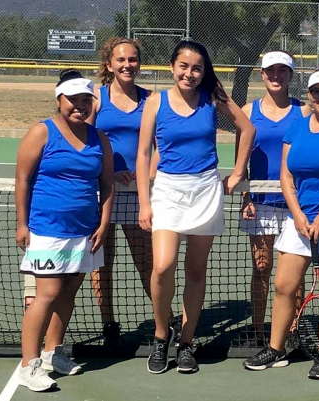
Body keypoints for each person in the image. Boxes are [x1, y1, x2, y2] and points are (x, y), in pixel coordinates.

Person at [136, 40, 255, 374]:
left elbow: (247, 129)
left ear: (204, 71)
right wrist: (145, 202)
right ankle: (162, 335)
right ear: (172, 67)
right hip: (168, 191)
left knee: (196, 271)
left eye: (197, 68)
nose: (189, 73)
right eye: (184, 66)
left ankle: (186, 342)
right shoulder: (155, 102)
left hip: (205, 190)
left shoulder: (213, 97)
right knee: (162, 266)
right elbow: (144, 153)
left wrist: (237, 172)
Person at [243, 62, 319, 380]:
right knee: (284, 285)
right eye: (317, 91)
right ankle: (276, 347)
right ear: (309, 94)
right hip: (300, 218)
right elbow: (286, 175)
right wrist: (298, 215)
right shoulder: (298, 125)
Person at [15, 69, 114, 391]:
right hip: (46, 229)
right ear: (60, 100)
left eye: (86, 100)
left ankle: (51, 353)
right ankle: (29, 365)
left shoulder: (99, 139)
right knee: (47, 295)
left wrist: (103, 221)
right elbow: (23, 179)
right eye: (73, 100)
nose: (80, 106)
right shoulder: (41, 132)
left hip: (84, 231)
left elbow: (107, 183)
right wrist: (22, 222)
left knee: (69, 293)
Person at [89, 36, 165, 344]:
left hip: (139, 196)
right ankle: (108, 323)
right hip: (103, 193)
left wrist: (148, 172)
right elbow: (88, 141)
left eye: (132, 60)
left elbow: (161, 145)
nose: (127, 65)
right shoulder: (96, 98)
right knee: (101, 261)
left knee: (147, 262)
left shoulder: (153, 99)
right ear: (109, 65)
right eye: (120, 60)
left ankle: (165, 321)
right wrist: (108, 172)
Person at [239, 51, 312, 344]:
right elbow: (241, 158)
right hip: (260, 204)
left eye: (283, 71)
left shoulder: (303, 111)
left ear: (291, 76)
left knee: (294, 273)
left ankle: (292, 329)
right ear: (262, 74)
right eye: (271, 70)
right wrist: (246, 196)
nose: (276, 76)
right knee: (262, 268)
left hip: (294, 205)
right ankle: (259, 328)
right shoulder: (247, 111)